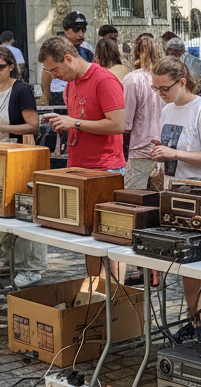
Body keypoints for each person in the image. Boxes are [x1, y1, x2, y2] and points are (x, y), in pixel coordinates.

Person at [146, 56, 201, 346]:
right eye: (155, 88)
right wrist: (162, 151)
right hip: (173, 192)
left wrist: (173, 154)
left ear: (182, 82)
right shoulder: (167, 109)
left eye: (163, 88)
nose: (160, 94)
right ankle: (194, 322)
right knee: (184, 266)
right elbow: (172, 149)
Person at [38, 35, 126, 275]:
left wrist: (74, 123)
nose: (53, 76)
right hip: (80, 167)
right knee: (88, 240)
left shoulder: (104, 79)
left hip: (105, 168)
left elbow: (118, 125)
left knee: (109, 240)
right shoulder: (70, 84)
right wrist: (66, 124)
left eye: (54, 69)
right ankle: (96, 292)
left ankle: (114, 297)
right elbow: (80, 122)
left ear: (68, 59)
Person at [0, 46, 48, 286]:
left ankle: (32, 266)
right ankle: (8, 260)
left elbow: (32, 126)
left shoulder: (21, 90)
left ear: (11, 66)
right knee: (2, 208)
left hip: (21, 157)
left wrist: (2, 128)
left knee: (24, 209)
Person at [123, 35, 165, 191]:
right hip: (166, 146)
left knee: (134, 197)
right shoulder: (167, 78)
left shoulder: (133, 79)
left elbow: (126, 121)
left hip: (141, 145)